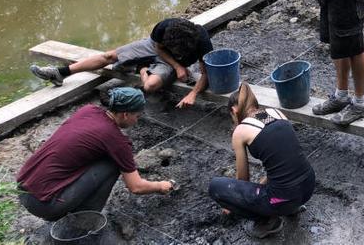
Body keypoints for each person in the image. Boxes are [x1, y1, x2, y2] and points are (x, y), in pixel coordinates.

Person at [16, 88, 173, 221]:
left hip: (22, 188)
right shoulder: (116, 140)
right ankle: (87, 219)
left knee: (98, 154)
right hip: (44, 206)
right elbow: (136, 187)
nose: (136, 121)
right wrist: (161, 186)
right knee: (112, 164)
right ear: (125, 114)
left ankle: (73, 207)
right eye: (137, 116)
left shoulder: (88, 110)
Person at [30, 17, 213, 109]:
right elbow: (158, 48)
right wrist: (177, 65)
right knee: (109, 57)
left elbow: (206, 73)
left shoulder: (201, 40)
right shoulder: (164, 27)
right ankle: (61, 73)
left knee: (151, 85)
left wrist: (193, 94)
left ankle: (141, 67)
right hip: (157, 52)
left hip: (167, 62)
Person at [208, 83, 315, 239]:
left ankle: (268, 221)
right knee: (279, 181)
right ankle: (292, 207)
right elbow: (283, 163)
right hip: (308, 187)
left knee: (215, 187)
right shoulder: (276, 113)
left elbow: (243, 179)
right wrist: (262, 184)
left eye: (232, 117)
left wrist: (232, 200)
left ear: (234, 111)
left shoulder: (240, 131)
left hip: (284, 199)